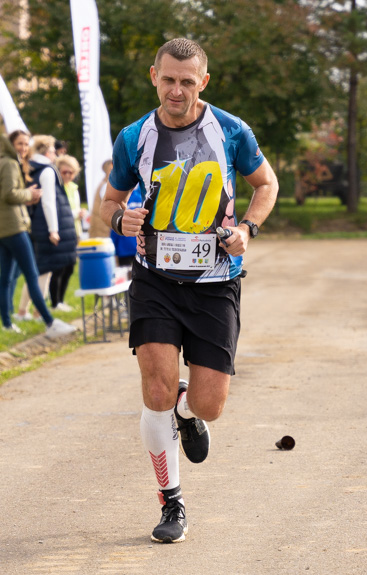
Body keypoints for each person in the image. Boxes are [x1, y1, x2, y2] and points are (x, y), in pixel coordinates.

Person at [100, 38, 278, 543]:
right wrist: (120, 217)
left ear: (203, 81)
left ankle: (187, 408)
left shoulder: (232, 130)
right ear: (153, 76)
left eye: (187, 81)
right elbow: (108, 201)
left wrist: (248, 228)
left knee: (209, 406)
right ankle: (171, 501)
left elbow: (267, 184)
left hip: (215, 283)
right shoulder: (134, 136)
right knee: (154, 390)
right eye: (168, 79)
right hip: (154, 279)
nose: (176, 90)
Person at [0, 130, 76, 338]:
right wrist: (31, 194)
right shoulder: (9, 164)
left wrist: (26, 198)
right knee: (32, 274)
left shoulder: (8, 162)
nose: (24, 148)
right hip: (13, 226)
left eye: (26, 144)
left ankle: (7, 324)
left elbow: (8, 195)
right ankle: (49, 322)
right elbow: (9, 194)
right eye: (19, 144)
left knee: (7, 276)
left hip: (4, 226)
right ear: (11, 144)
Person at [14, 136, 78, 321]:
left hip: (35, 224)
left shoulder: (31, 167)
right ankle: (37, 313)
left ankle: (22, 311)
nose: (55, 154)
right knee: (45, 271)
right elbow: (49, 202)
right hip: (46, 227)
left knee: (37, 271)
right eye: (52, 150)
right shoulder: (48, 171)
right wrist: (53, 230)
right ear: (46, 151)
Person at [49, 154, 86, 311]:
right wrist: (76, 213)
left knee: (70, 267)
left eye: (71, 173)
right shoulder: (55, 187)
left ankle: (61, 300)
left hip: (74, 231)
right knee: (58, 267)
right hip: (60, 231)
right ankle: (55, 302)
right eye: (65, 172)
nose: (68, 175)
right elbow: (57, 211)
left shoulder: (74, 188)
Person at [110, 183, 142, 267]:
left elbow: (115, 226)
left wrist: (114, 249)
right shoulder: (142, 198)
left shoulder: (119, 201)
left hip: (124, 248)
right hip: (139, 248)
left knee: (126, 278)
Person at [88, 159, 113, 239]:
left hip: (102, 229)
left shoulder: (105, 184)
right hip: (103, 231)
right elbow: (110, 207)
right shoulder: (106, 186)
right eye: (111, 170)